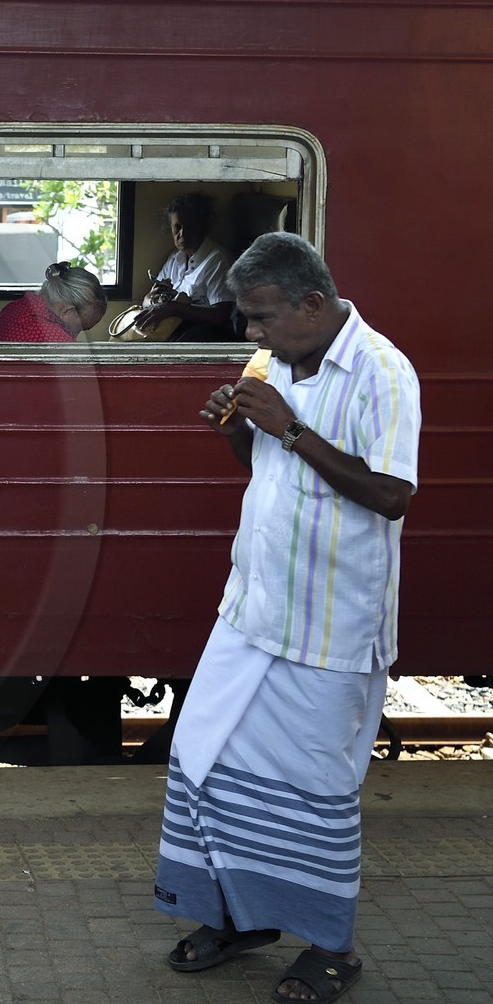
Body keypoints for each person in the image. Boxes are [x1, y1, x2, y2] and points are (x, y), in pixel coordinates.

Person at [155, 233, 420, 1004]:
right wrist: (239, 429)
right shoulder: (269, 365)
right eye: (246, 318)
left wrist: (290, 429)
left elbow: (393, 494)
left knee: (313, 788)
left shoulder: (383, 371)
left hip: (330, 621)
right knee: (204, 760)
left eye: (261, 316)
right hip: (251, 606)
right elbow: (266, 462)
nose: (251, 333)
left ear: (313, 302)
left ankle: (332, 949)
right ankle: (240, 917)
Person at [135, 192, 235, 341]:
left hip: (206, 334)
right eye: (177, 227)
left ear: (203, 227)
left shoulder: (218, 261)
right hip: (175, 328)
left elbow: (221, 316)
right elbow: (149, 296)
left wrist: (174, 308)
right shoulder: (175, 259)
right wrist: (153, 303)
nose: (182, 234)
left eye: (189, 227)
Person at [0, 261, 106, 342]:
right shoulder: (55, 339)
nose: (76, 336)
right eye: (82, 327)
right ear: (67, 311)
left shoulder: (16, 307)